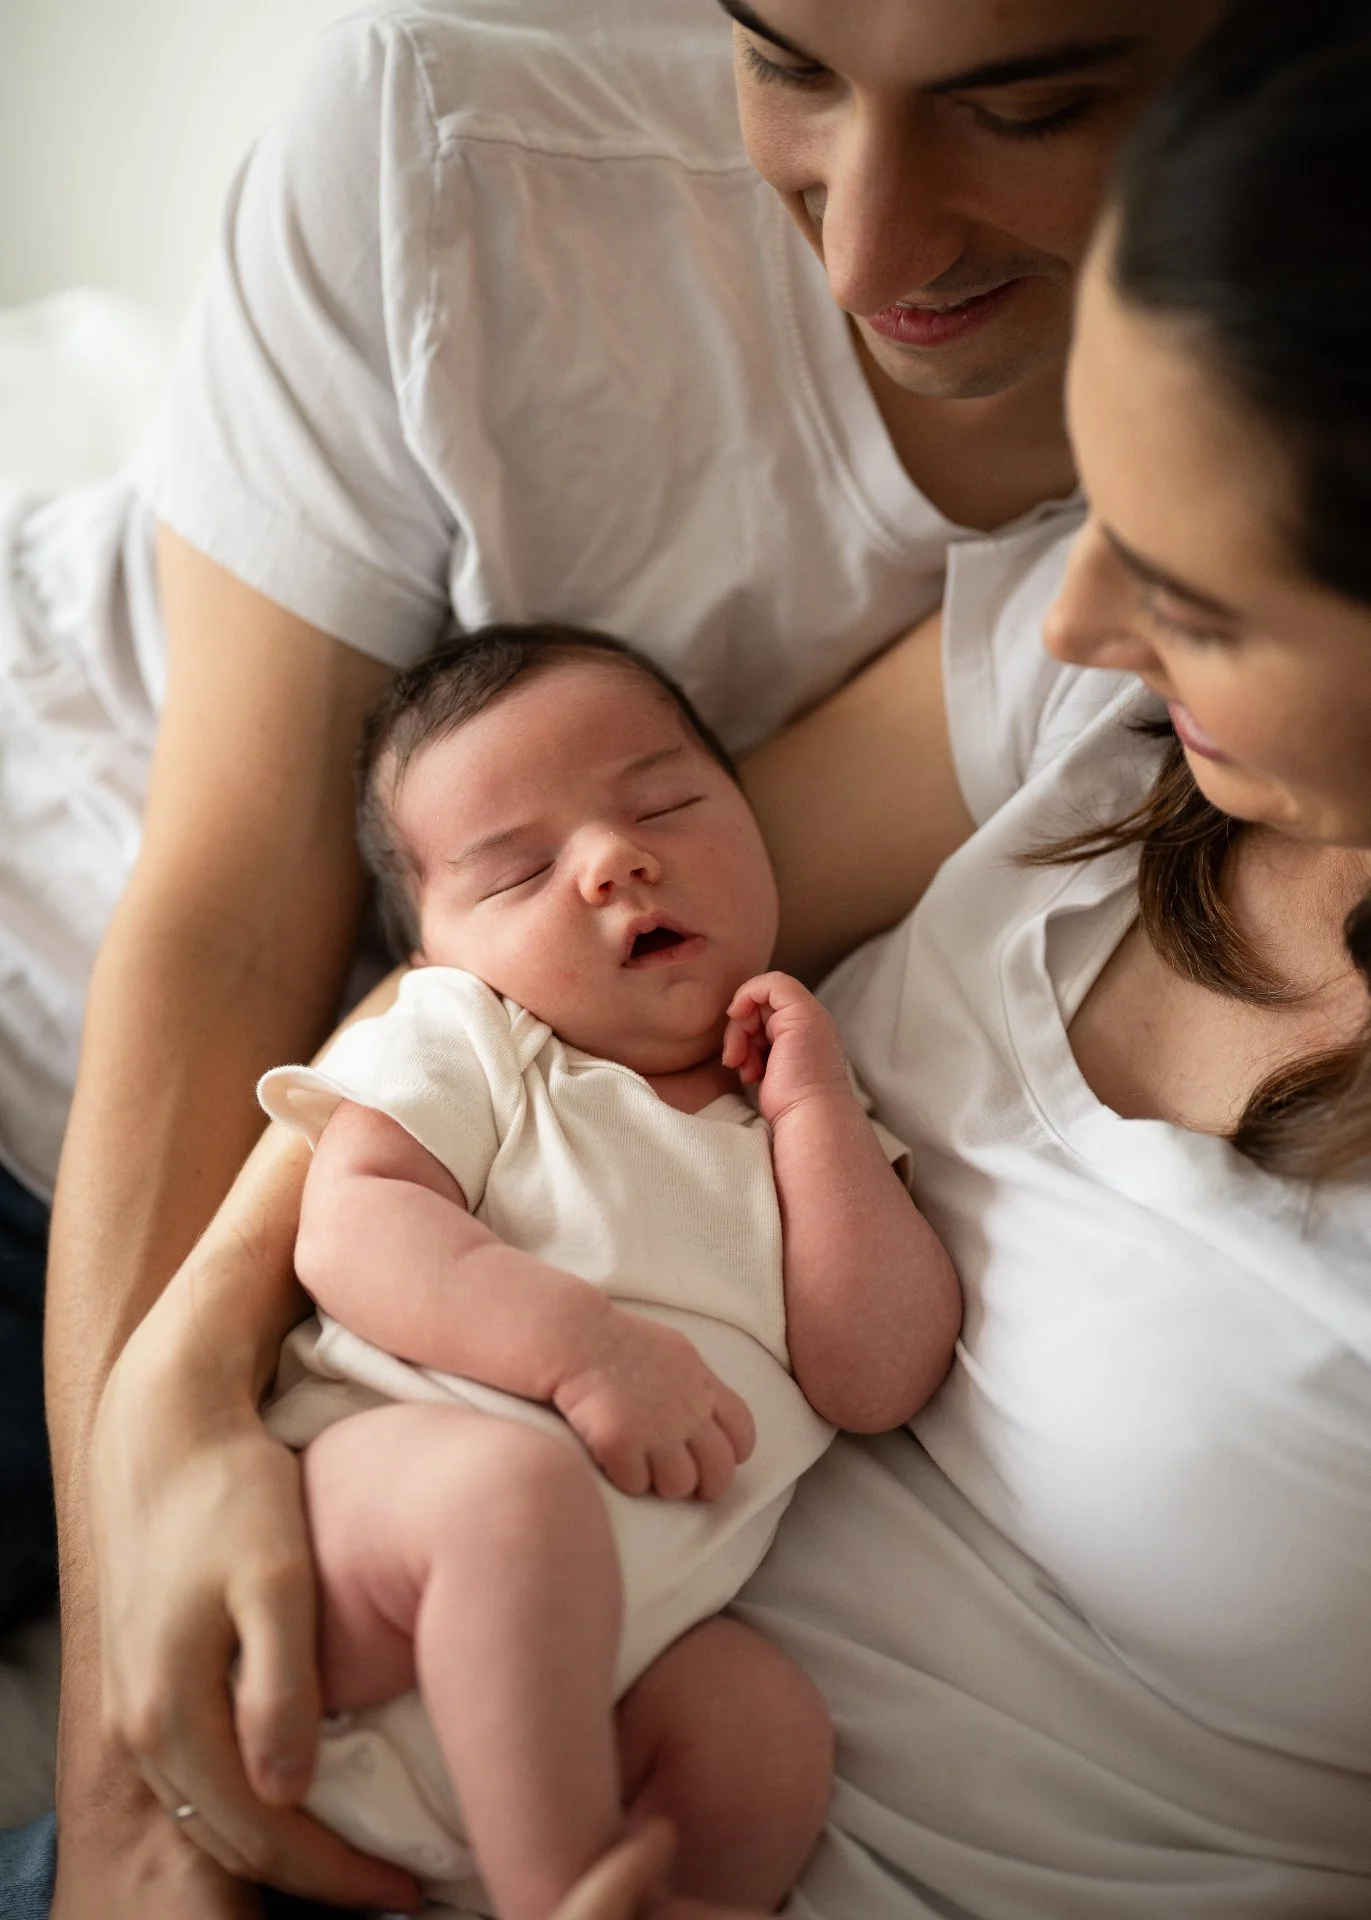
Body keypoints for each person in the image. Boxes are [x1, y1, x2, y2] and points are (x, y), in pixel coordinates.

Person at [94, 0, 1371, 1916]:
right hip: (383, 1689)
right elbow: (502, 971)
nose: (1073, 607)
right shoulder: (1087, 697)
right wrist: (163, 1410)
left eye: (1189, 590)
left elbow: (871, 1356)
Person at [250, 625, 956, 1916]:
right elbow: (350, 1227)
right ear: (434, 953)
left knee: (761, 1726)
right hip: (372, 1546)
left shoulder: (807, 1125)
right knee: (506, 1497)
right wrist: (581, 1347)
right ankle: (557, 1891)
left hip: (594, 1685)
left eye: (664, 804)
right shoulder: (476, 1040)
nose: (612, 859)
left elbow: (873, 1375)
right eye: (516, 871)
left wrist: (815, 1120)